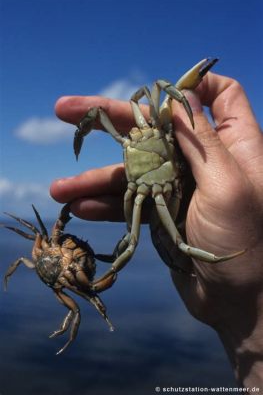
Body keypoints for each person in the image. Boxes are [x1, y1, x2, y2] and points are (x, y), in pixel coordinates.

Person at [50, 71, 263, 387]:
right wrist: (245, 304)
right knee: (133, 239)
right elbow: (107, 109)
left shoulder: (148, 130)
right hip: (146, 194)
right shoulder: (143, 133)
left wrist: (245, 298)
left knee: (136, 240)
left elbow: (157, 89)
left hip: (155, 194)